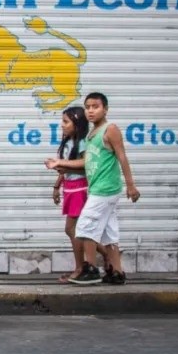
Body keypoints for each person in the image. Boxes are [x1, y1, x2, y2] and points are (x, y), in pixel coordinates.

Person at [45, 92, 139, 285]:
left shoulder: (110, 129)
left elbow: (122, 157)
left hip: (104, 189)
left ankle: (90, 269)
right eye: (87, 107)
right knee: (110, 233)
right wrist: (61, 165)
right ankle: (117, 272)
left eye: (95, 107)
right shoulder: (91, 135)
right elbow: (87, 162)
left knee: (84, 227)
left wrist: (131, 185)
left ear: (105, 109)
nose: (90, 111)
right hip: (99, 188)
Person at [48, 106, 105, 283]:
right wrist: (57, 186)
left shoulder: (82, 143)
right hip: (70, 188)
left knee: (74, 229)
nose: (62, 125)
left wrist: (62, 165)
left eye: (66, 122)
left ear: (77, 124)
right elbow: (66, 169)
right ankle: (107, 257)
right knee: (79, 230)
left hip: (80, 189)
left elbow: (86, 165)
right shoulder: (68, 142)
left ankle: (82, 267)